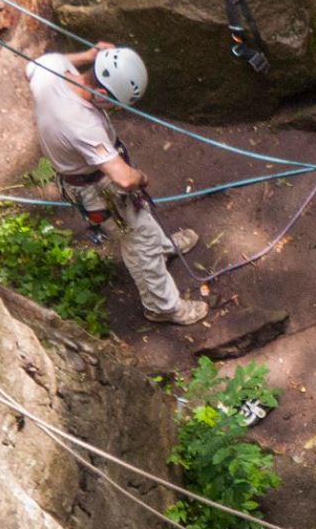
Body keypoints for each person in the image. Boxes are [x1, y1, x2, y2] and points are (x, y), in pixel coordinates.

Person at [24, 43, 207, 326]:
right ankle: (162, 306)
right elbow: (123, 178)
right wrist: (142, 177)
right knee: (137, 239)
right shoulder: (81, 124)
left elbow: (33, 65)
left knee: (141, 222)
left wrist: (87, 55)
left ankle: (162, 247)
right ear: (104, 94)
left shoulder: (51, 71)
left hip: (83, 174)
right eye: (115, 102)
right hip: (96, 189)